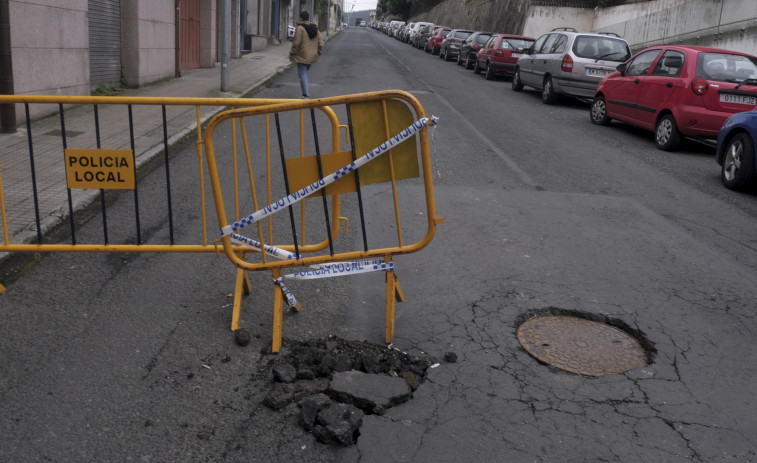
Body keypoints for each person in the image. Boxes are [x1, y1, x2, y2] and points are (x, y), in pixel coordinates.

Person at [289, 11, 324, 99]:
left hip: (302, 55)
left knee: (303, 74)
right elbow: (321, 43)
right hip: (312, 56)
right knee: (304, 73)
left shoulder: (300, 28)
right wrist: (318, 53)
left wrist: (292, 53)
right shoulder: (315, 28)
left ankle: (305, 95)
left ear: (301, 18)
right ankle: (305, 93)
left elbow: (296, 43)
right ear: (308, 18)